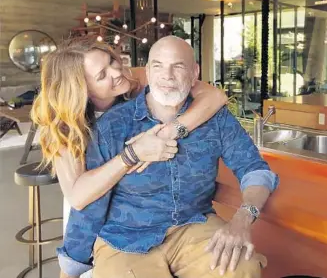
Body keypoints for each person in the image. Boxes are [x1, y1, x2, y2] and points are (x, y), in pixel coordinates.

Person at [59, 36, 278, 278]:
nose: (167, 75)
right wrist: (72, 263)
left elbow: (255, 169)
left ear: (195, 73)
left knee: (241, 267)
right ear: (149, 73)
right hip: (125, 236)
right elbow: (88, 202)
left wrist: (242, 220)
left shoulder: (216, 118)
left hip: (193, 225)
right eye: (158, 66)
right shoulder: (110, 125)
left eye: (178, 66)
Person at [31, 40, 227, 211]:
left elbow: (215, 96)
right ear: (82, 89)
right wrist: (132, 155)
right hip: (96, 213)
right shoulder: (66, 125)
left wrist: (169, 132)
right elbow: (78, 197)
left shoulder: (137, 78)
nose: (117, 72)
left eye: (111, 61)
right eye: (102, 75)